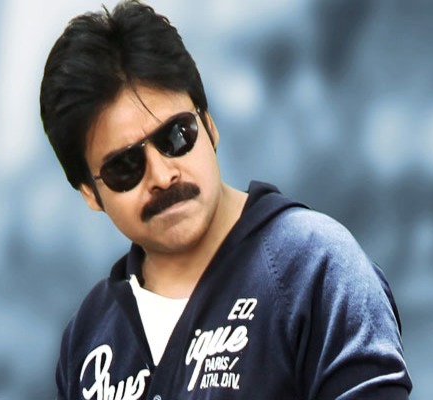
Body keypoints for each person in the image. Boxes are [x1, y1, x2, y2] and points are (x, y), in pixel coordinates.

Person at [39, 1, 412, 398]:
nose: (162, 176)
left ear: (209, 125)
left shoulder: (316, 267)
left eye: (176, 136)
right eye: (125, 167)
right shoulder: (88, 335)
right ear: (90, 193)